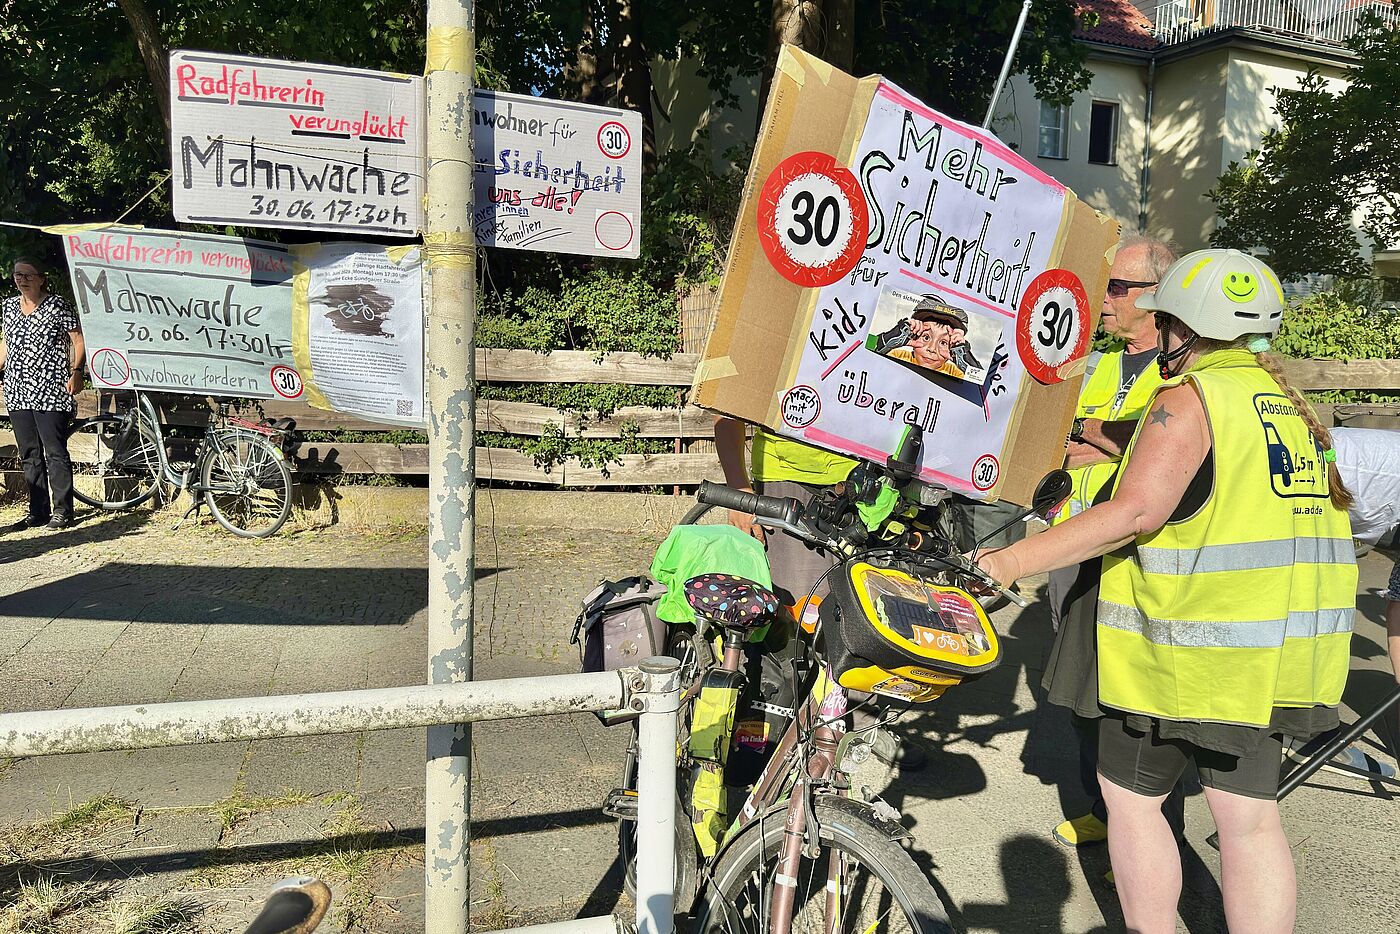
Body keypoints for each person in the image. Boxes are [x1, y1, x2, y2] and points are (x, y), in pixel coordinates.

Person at [977, 249, 1356, 933]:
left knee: (1134, 806)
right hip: (1264, 662)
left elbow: (1133, 513)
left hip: (1178, 658)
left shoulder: (1189, 399)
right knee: (1250, 824)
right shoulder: (1288, 408)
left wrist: (1009, 563)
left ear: (1184, 326)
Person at [1043, 235, 1180, 848]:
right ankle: (1105, 811)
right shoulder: (1098, 365)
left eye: (1118, 288)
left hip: (1135, 549)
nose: (1104, 300)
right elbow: (1056, 433)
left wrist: (1094, 432)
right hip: (1071, 539)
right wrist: (1100, 436)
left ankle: (1145, 827)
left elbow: (1168, 448)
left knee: (1135, 686)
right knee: (1080, 684)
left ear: (1157, 296)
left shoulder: (1181, 368)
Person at [713, 420, 927, 769]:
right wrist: (738, 488)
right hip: (792, 475)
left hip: (877, 479)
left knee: (869, 616)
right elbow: (729, 406)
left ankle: (863, 723)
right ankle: (773, 726)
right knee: (793, 619)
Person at [1278, 426, 1400, 778]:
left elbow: (1397, 606)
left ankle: (1300, 725)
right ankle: (1306, 732)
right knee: (1313, 607)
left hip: (1317, 477)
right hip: (1295, 479)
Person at [1, 256, 84, 531]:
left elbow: (78, 339)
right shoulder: (9, 307)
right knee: (29, 453)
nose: (21, 280)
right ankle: (37, 510)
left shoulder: (57, 305)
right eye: (17, 275)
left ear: (41, 278)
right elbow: (7, 345)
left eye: (27, 275)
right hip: (18, 390)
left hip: (50, 388)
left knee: (55, 451)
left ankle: (63, 511)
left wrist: (77, 371)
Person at [884, 296, 967, 378]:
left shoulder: (956, 373)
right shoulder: (897, 355)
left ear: (952, 348)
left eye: (943, 343)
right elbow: (871, 343)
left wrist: (965, 359)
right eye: (926, 337)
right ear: (913, 335)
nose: (931, 349)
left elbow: (979, 382)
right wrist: (889, 338)